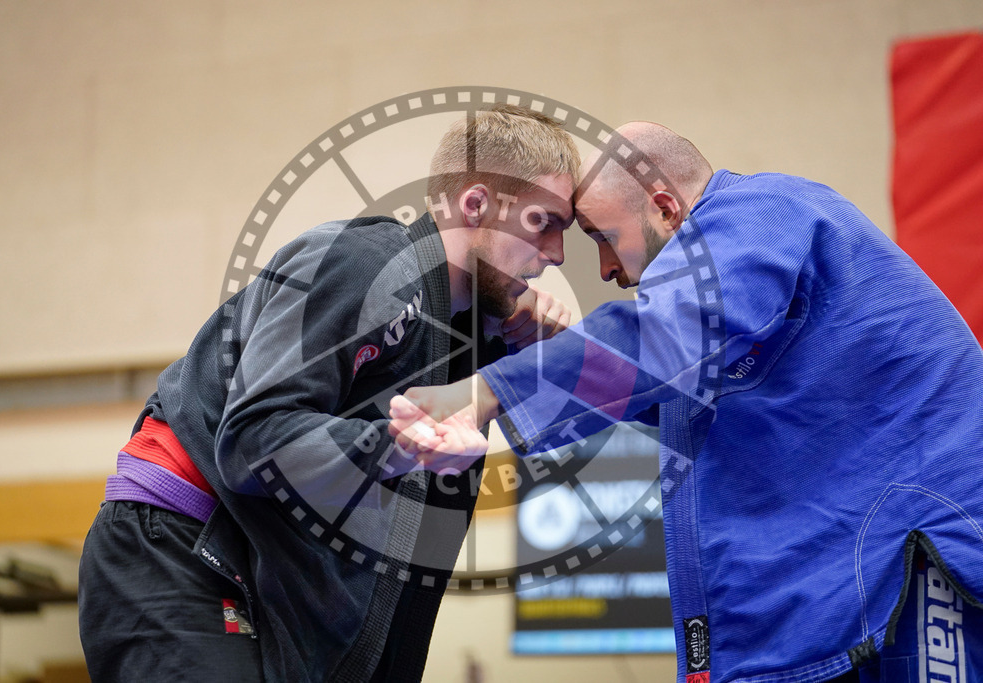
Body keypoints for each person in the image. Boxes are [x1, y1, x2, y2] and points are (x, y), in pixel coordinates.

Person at [390, 122, 983, 682]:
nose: (604, 269)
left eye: (604, 237)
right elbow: (655, 383)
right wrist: (521, 347)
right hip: (820, 610)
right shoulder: (715, 324)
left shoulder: (771, 211)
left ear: (665, 207)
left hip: (913, 572)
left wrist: (490, 392)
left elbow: (665, 332)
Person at [78, 104, 580, 682]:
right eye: (545, 223)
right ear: (476, 205)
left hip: (253, 563)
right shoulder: (366, 263)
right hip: (176, 542)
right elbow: (249, 440)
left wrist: (525, 349)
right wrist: (394, 446)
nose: (558, 255)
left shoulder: (463, 341)